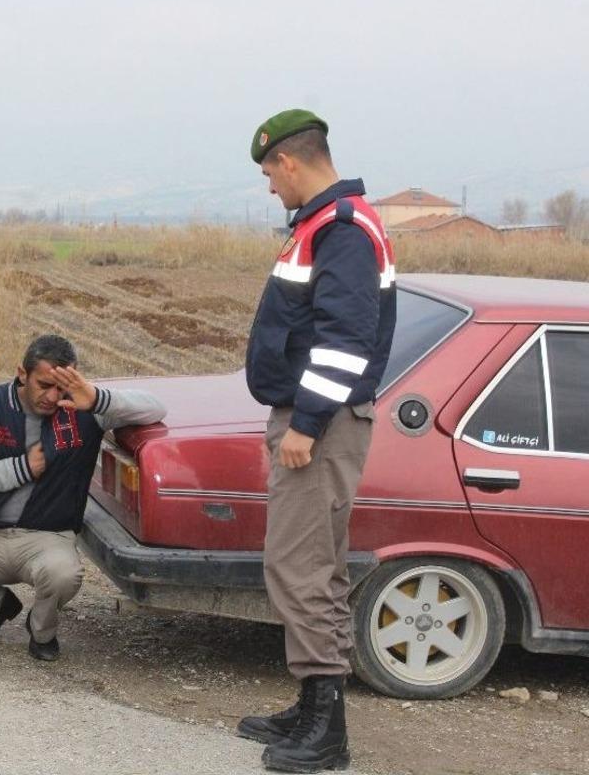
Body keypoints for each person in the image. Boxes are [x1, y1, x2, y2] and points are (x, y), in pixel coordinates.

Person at [236, 109, 396, 773]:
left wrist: (304, 422)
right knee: (316, 568)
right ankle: (312, 703)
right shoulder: (325, 224)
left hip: (321, 426)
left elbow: (345, 340)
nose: (271, 187)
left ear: (291, 163)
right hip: (317, 420)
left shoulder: (342, 229)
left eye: (271, 174)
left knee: (296, 568)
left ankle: (325, 729)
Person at [0, 335, 166, 661]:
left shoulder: (84, 407)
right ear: (22, 373)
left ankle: (41, 631)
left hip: (49, 537)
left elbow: (156, 407)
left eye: (60, 388)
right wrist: (22, 468)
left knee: (64, 575)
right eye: (44, 384)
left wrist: (96, 399)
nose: (52, 397)